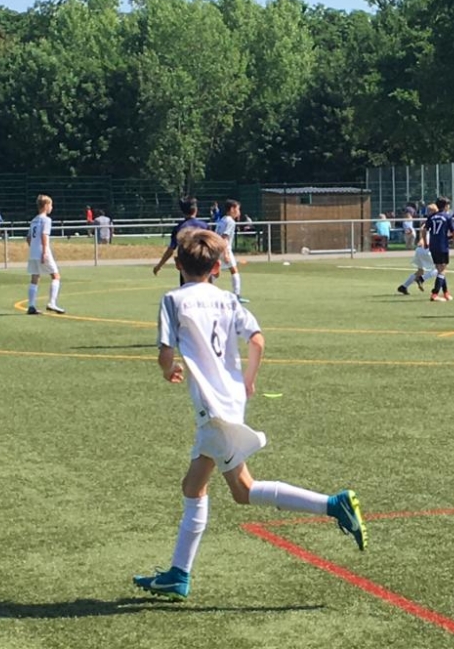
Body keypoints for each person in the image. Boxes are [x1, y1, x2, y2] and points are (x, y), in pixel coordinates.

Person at [132, 228, 367, 601]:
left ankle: (333, 505)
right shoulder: (228, 299)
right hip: (229, 401)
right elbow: (257, 339)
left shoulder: (173, 299)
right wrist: (249, 380)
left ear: (178, 264)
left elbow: (165, 351)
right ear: (217, 268)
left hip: (212, 409)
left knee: (216, 488)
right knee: (222, 488)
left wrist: (168, 370)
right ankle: (178, 573)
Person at [154, 197, 209, 287]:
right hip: (203, 264)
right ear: (195, 209)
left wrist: (159, 265)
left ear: (182, 211)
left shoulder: (179, 228)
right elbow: (212, 246)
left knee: (187, 290)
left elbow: (171, 250)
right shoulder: (204, 226)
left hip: (186, 265)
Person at [26, 194, 65, 315]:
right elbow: (44, 235)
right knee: (56, 276)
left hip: (33, 253)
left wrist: (34, 248)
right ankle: (52, 303)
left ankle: (31, 305)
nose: (52, 207)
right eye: (51, 205)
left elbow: (28, 238)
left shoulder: (34, 220)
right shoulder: (46, 220)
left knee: (35, 278)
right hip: (43, 251)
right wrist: (44, 252)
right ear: (46, 205)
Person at [397, 203, 437, 294]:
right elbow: (424, 231)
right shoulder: (433, 221)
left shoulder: (428, 221)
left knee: (420, 271)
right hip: (426, 248)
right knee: (439, 269)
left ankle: (404, 286)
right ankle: (421, 279)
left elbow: (423, 231)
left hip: (419, 249)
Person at [422, 196, 454, 301]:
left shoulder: (431, 217)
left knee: (440, 269)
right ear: (445, 206)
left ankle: (446, 293)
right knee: (442, 270)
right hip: (442, 246)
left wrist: (425, 242)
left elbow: (424, 230)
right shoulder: (447, 217)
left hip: (433, 245)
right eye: (448, 205)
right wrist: (451, 241)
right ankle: (435, 294)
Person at [214, 199, 248, 303]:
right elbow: (225, 237)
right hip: (224, 248)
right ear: (232, 209)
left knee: (215, 272)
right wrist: (226, 253)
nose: (239, 212)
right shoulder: (230, 221)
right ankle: (236, 295)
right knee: (234, 270)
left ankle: (205, 290)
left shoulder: (223, 219)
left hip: (217, 247)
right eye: (238, 209)